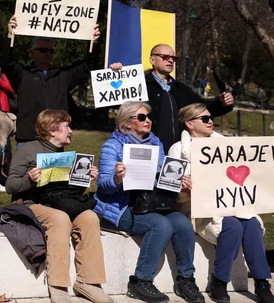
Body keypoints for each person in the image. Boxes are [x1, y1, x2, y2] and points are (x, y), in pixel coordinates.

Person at [95, 101, 203, 303]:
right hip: (120, 207)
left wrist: (177, 181)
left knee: (182, 223)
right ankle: (141, 281)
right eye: (142, 117)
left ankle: (185, 278)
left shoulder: (155, 143)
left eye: (149, 117)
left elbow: (161, 177)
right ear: (127, 123)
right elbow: (103, 185)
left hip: (152, 202)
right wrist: (118, 178)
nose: (148, 121)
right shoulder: (112, 146)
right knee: (160, 225)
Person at [168, 103, 274, 303]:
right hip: (199, 209)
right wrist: (183, 186)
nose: (211, 122)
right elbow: (171, 187)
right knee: (232, 226)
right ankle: (220, 281)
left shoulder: (226, 146)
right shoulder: (178, 150)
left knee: (251, 224)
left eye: (211, 118)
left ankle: (262, 282)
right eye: (205, 119)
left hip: (232, 204)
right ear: (189, 123)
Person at [6, 109, 111, 303]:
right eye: (66, 126)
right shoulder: (27, 150)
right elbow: (10, 185)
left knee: (89, 217)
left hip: (57, 203)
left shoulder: (66, 154)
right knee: (60, 219)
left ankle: (88, 282)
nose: (70, 130)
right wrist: (30, 179)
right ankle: (58, 284)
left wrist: (84, 179)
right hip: (32, 203)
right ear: (52, 129)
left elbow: (66, 193)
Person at [1, 14, 103, 143]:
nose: (48, 53)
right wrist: (10, 36)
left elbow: (87, 66)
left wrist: (94, 42)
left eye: (51, 51)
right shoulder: (23, 74)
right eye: (43, 50)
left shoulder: (62, 75)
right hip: (29, 138)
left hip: (55, 139)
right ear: (32, 53)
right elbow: (5, 63)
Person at [144, 44, 233, 152]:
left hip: (177, 152)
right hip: (148, 150)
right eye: (165, 57)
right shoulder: (141, 85)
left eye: (173, 58)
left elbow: (203, 108)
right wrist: (117, 74)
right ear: (152, 60)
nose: (170, 60)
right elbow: (122, 108)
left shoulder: (180, 88)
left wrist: (221, 103)